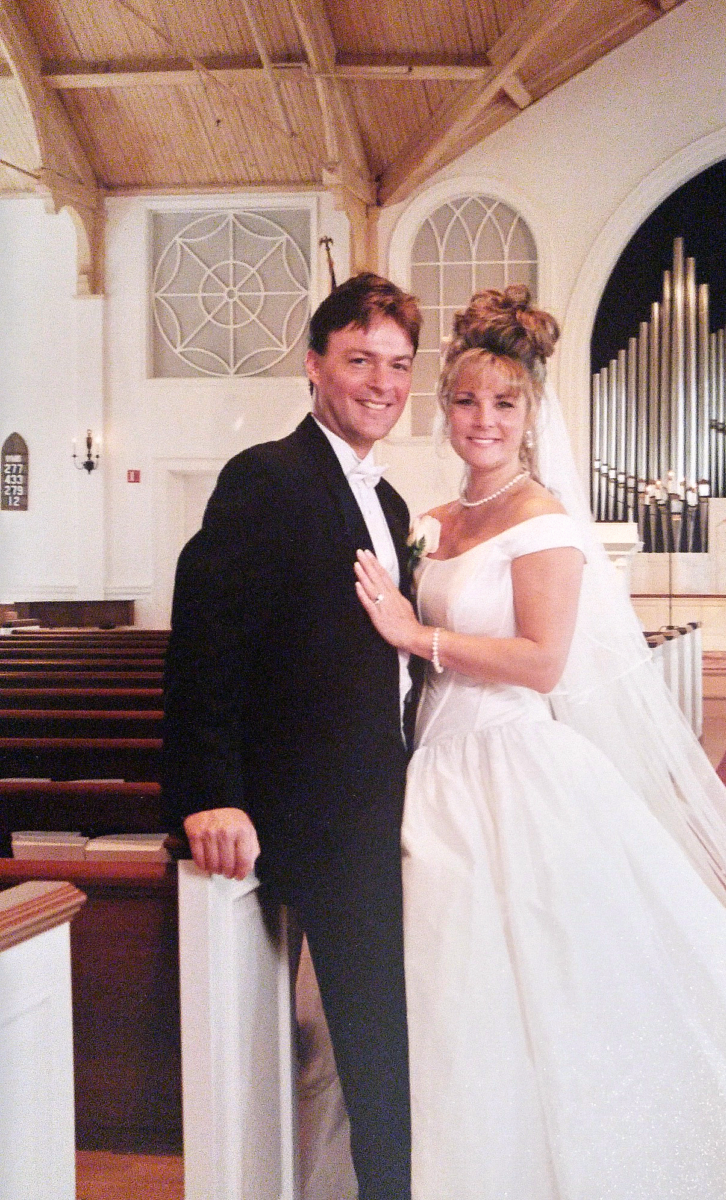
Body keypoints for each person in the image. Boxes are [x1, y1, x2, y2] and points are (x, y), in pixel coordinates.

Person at [353, 285, 726, 1198]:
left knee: (554, 987)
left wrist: (418, 636)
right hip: (434, 768)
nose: (482, 420)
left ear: (530, 415)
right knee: (455, 993)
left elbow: (540, 660)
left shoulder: (545, 521)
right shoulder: (438, 523)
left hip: (513, 768)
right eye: (465, 400)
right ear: (442, 404)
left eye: (503, 402)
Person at [163, 272, 422, 1200]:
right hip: (315, 812)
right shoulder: (268, 477)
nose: (381, 382)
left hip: (382, 798)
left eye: (397, 364)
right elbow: (207, 640)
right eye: (359, 359)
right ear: (314, 364)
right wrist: (208, 792)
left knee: (393, 1032)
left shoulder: (387, 504)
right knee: (375, 1043)